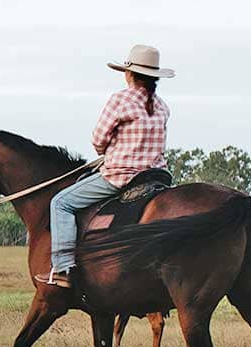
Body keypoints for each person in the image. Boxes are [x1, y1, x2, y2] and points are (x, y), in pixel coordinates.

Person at [39, 44, 174, 288]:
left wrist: (106, 152)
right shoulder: (162, 106)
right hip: (156, 177)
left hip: (121, 177)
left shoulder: (120, 100)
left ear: (129, 74)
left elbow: (98, 139)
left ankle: (63, 270)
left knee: (60, 203)